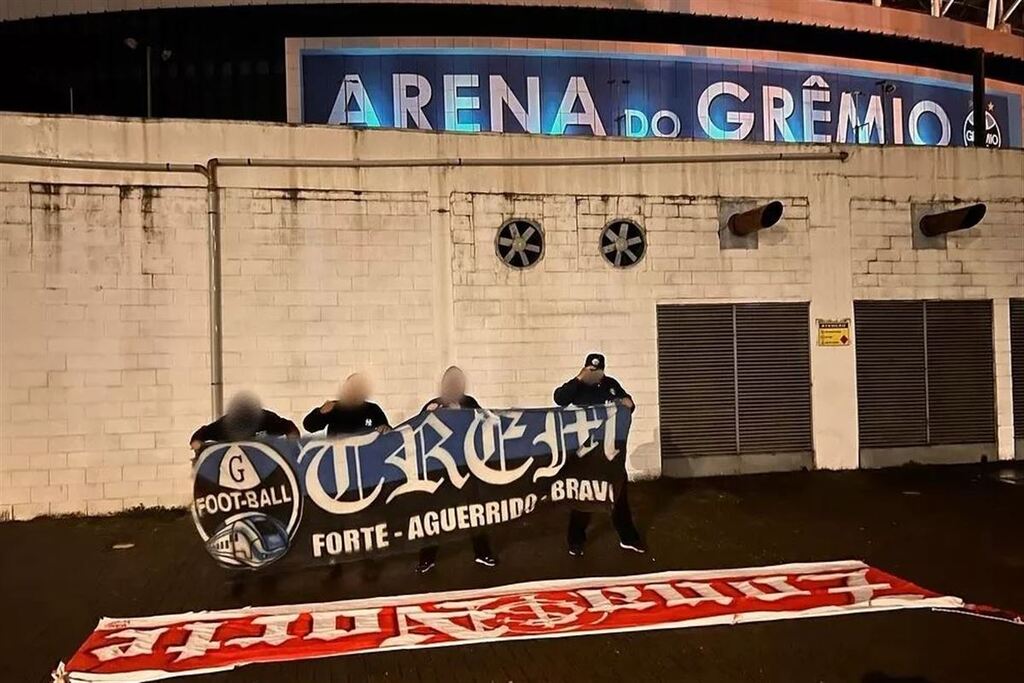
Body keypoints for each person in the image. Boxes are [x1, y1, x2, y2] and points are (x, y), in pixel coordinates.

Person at [553, 352, 646, 557]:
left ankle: (628, 538)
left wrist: (628, 402)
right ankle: (576, 541)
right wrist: (579, 378)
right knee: (582, 498)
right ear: (586, 369)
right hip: (584, 453)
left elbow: (628, 405)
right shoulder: (576, 387)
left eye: (597, 371)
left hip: (609, 453)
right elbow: (559, 398)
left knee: (618, 496)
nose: (594, 375)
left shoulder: (610, 384)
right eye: (590, 371)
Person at [417, 366, 497, 573]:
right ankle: (427, 558)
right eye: (450, 382)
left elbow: (489, 423)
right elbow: (417, 433)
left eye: (458, 382)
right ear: (443, 385)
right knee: (433, 515)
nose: (454, 386)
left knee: (475, 512)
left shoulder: (469, 403)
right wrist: (428, 416)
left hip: (466, 467)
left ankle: (482, 552)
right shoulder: (433, 405)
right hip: (439, 469)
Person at [189, 391, 299, 455]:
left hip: (266, 466)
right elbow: (200, 435)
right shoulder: (225, 424)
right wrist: (198, 449)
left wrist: (292, 447)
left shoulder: (267, 419)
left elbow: (289, 427)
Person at [303, 373, 390, 437]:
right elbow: (309, 426)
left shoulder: (373, 409)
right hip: (338, 455)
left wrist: (385, 428)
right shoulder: (334, 407)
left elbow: (388, 432)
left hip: (365, 456)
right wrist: (320, 413)